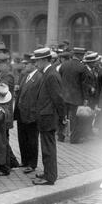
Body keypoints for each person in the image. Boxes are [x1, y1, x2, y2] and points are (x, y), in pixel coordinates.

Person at [31, 48, 66, 186]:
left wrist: (63, 117)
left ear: (45, 60)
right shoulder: (48, 73)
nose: (35, 64)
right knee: (46, 147)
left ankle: (50, 177)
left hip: (48, 118)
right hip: (45, 117)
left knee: (48, 149)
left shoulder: (51, 75)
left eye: (37, 61)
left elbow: (58, 98)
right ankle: (47, 172)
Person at [0, 53, 20, 175]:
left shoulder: (7, 76)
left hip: (4, 111)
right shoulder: (2, 75)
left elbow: (0, 91)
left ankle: (5, 168)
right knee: (4, 139)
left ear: (4, 63)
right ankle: (12, 162)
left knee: (2, 140)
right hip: (1, 111)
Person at [14, 55, 42, 174]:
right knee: (22, 139)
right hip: (21, 112)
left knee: (32, 140)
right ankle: (24, 160)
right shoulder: (24, 76)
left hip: (31, 114)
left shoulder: (39, 77)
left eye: (26, 64)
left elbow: (39, 97)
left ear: (33, 64)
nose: (24, 66)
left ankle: (32, 164)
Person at [59, 47, 89, 144]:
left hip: (63, 95)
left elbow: (59, 79)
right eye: (83, 55)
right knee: (75, 119)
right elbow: (84, 85)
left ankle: (61, 136)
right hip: (76, 98)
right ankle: (74, 139)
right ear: (80, 55)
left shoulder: (63, 65)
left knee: (62, 116)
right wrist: (85, 98)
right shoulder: (82, 67)